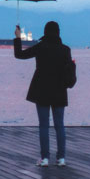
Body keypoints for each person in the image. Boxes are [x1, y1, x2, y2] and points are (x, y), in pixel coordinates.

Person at [14, 20, 76, 166]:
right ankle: (61, 158)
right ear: (58, 32)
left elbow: (19, 55)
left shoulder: (41, 47)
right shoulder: (65, 50)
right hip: (60, 91)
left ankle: (45, 158)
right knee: (59, 125)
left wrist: (18, 37)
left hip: (41, 91)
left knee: (43, 125)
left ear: (45, 32)